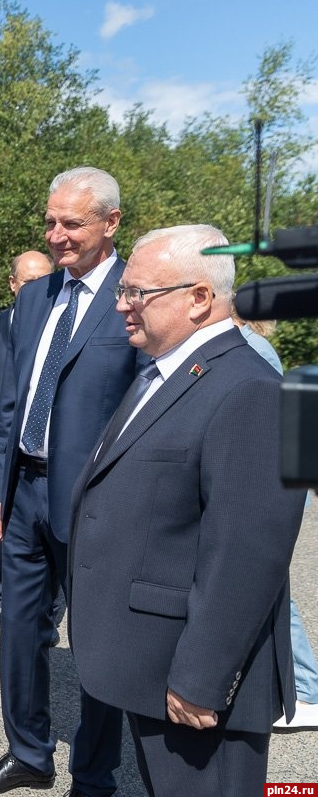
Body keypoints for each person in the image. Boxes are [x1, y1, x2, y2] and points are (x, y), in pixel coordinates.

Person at [69, 224, 306, 795]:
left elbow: (249, 553)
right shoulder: (164, 370)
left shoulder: (252, 389)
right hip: (150, 664)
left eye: (136, 294)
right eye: (122, 292)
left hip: (192, 685)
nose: (121, 307)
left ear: (199, 298)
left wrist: (202, 677)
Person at [0, 167, 135, 797]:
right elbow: (11, 401)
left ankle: (95, 776)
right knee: (19, 631)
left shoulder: (133, 294)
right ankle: (28, 754)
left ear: (110, 223)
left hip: (95, 500)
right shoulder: (35, 298)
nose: (56, 234)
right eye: (50, 220)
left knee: (96, 643)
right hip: (23, 493)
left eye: (72, 222)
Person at [230, 313, 318, 731]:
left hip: (276, 482)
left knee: (274, 588)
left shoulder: (252, 350)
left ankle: (308, 690)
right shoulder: (252, 346)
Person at [0, 251, 53, 631]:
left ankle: (46, 614)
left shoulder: (60, 326)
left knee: (49, 530)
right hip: (0, 444)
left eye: (44, 280)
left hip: (45, 446)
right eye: (28, 281)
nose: (36, 288)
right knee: (2, 521)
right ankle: (5, 601)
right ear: (13, 284)